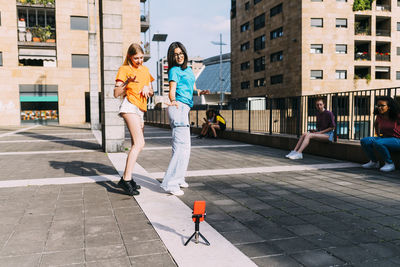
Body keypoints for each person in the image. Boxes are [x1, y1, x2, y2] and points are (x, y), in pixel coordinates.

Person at [161, 42, 209, 196]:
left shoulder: (188, 70)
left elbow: (191, 90)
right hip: (178, 107)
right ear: (172, 57)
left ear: (185, 53)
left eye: (181, 53)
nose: (179, 56)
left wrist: (200, 92)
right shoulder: (174, 70)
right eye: (175, 54)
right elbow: (172, 90)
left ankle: (179, 177)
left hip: (185, 108)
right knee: (181, 147)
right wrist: (173, 100)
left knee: (184, 147)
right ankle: (170, 183)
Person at [114, 43, 154, 196]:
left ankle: (128, 178)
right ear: (130, 57)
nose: (139, 61)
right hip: (129, 106)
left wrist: (147, 90)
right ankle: (126, 179)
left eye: (142, 58)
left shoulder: (145, 70)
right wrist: (127, 84)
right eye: (136, 58)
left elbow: (150, 91)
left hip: (141, 109)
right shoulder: (124, 70)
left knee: (134, 145)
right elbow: (116, 93)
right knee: (140, 143)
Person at [361, 96, 400, 172]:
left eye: (382, 105)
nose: (379, 108)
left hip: (398, 140)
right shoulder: (380, 116)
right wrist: (378, 135)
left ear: (389, 106)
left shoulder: (397, 115)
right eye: (378, 106)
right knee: (365, 140)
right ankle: (374, 162)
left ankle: (390, 163)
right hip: (386, 138)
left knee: (378, 142)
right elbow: (376, 124)